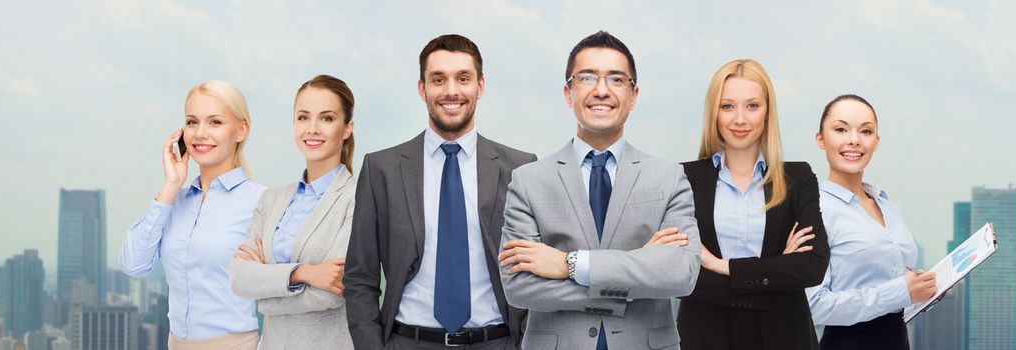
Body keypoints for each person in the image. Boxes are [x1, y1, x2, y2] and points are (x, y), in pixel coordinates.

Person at [496, 31, 700, 350]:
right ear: (568, 92)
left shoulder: (669, 177)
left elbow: (681, 274)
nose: (601, 90)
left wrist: (570, 264)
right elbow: (519, 287)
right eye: (588, 77)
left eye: (616, 79)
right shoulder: (527, 181)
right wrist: (636, 274)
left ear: (633, 96)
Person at [343, 34, 535, 350]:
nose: (451, 91)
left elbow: (531, 272)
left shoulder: (520, 168)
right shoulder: (382, 169)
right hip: (408, 342)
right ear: (423, 89)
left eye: (463, 78)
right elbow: (359, 278)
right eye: (438, 79)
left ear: (480, 86)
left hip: (497, 342)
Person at [676, 59, 829, 350]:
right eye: (727, 106)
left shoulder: (798, 177)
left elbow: (812, 266)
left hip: (784, 337)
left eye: (752, 106)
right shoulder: (684, 179)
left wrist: (719, 265)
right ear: (714, 113)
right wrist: (776, 270)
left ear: (768, 112)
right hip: (705, 337)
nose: (740, 119)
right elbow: (682, 276)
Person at [119, 80, 265, 349]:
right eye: (192, 121)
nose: (200, 133)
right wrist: (170, 186)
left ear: (241, 130)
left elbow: (288, 290)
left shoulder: (261, 202)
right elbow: (133, 263)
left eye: (215, 122)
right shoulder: (175, 202)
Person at [228, 74, 357, 349]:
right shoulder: (271, 199)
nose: (312, 128)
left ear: (347, 128)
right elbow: (239, 278)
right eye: (303, 117)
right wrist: (303, 273)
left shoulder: (358, 197)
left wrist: (264, 291)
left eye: (326, 118)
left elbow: (332, 293)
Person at [805, 95, 939, 350]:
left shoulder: (888, 206)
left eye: (865, 131)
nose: (854, 139)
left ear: (876, 142)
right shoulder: (815, 210)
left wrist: (924, 290)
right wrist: (900, 291)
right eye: (841, 129)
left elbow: (895, 289)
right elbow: (815, 305)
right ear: (820, 139)